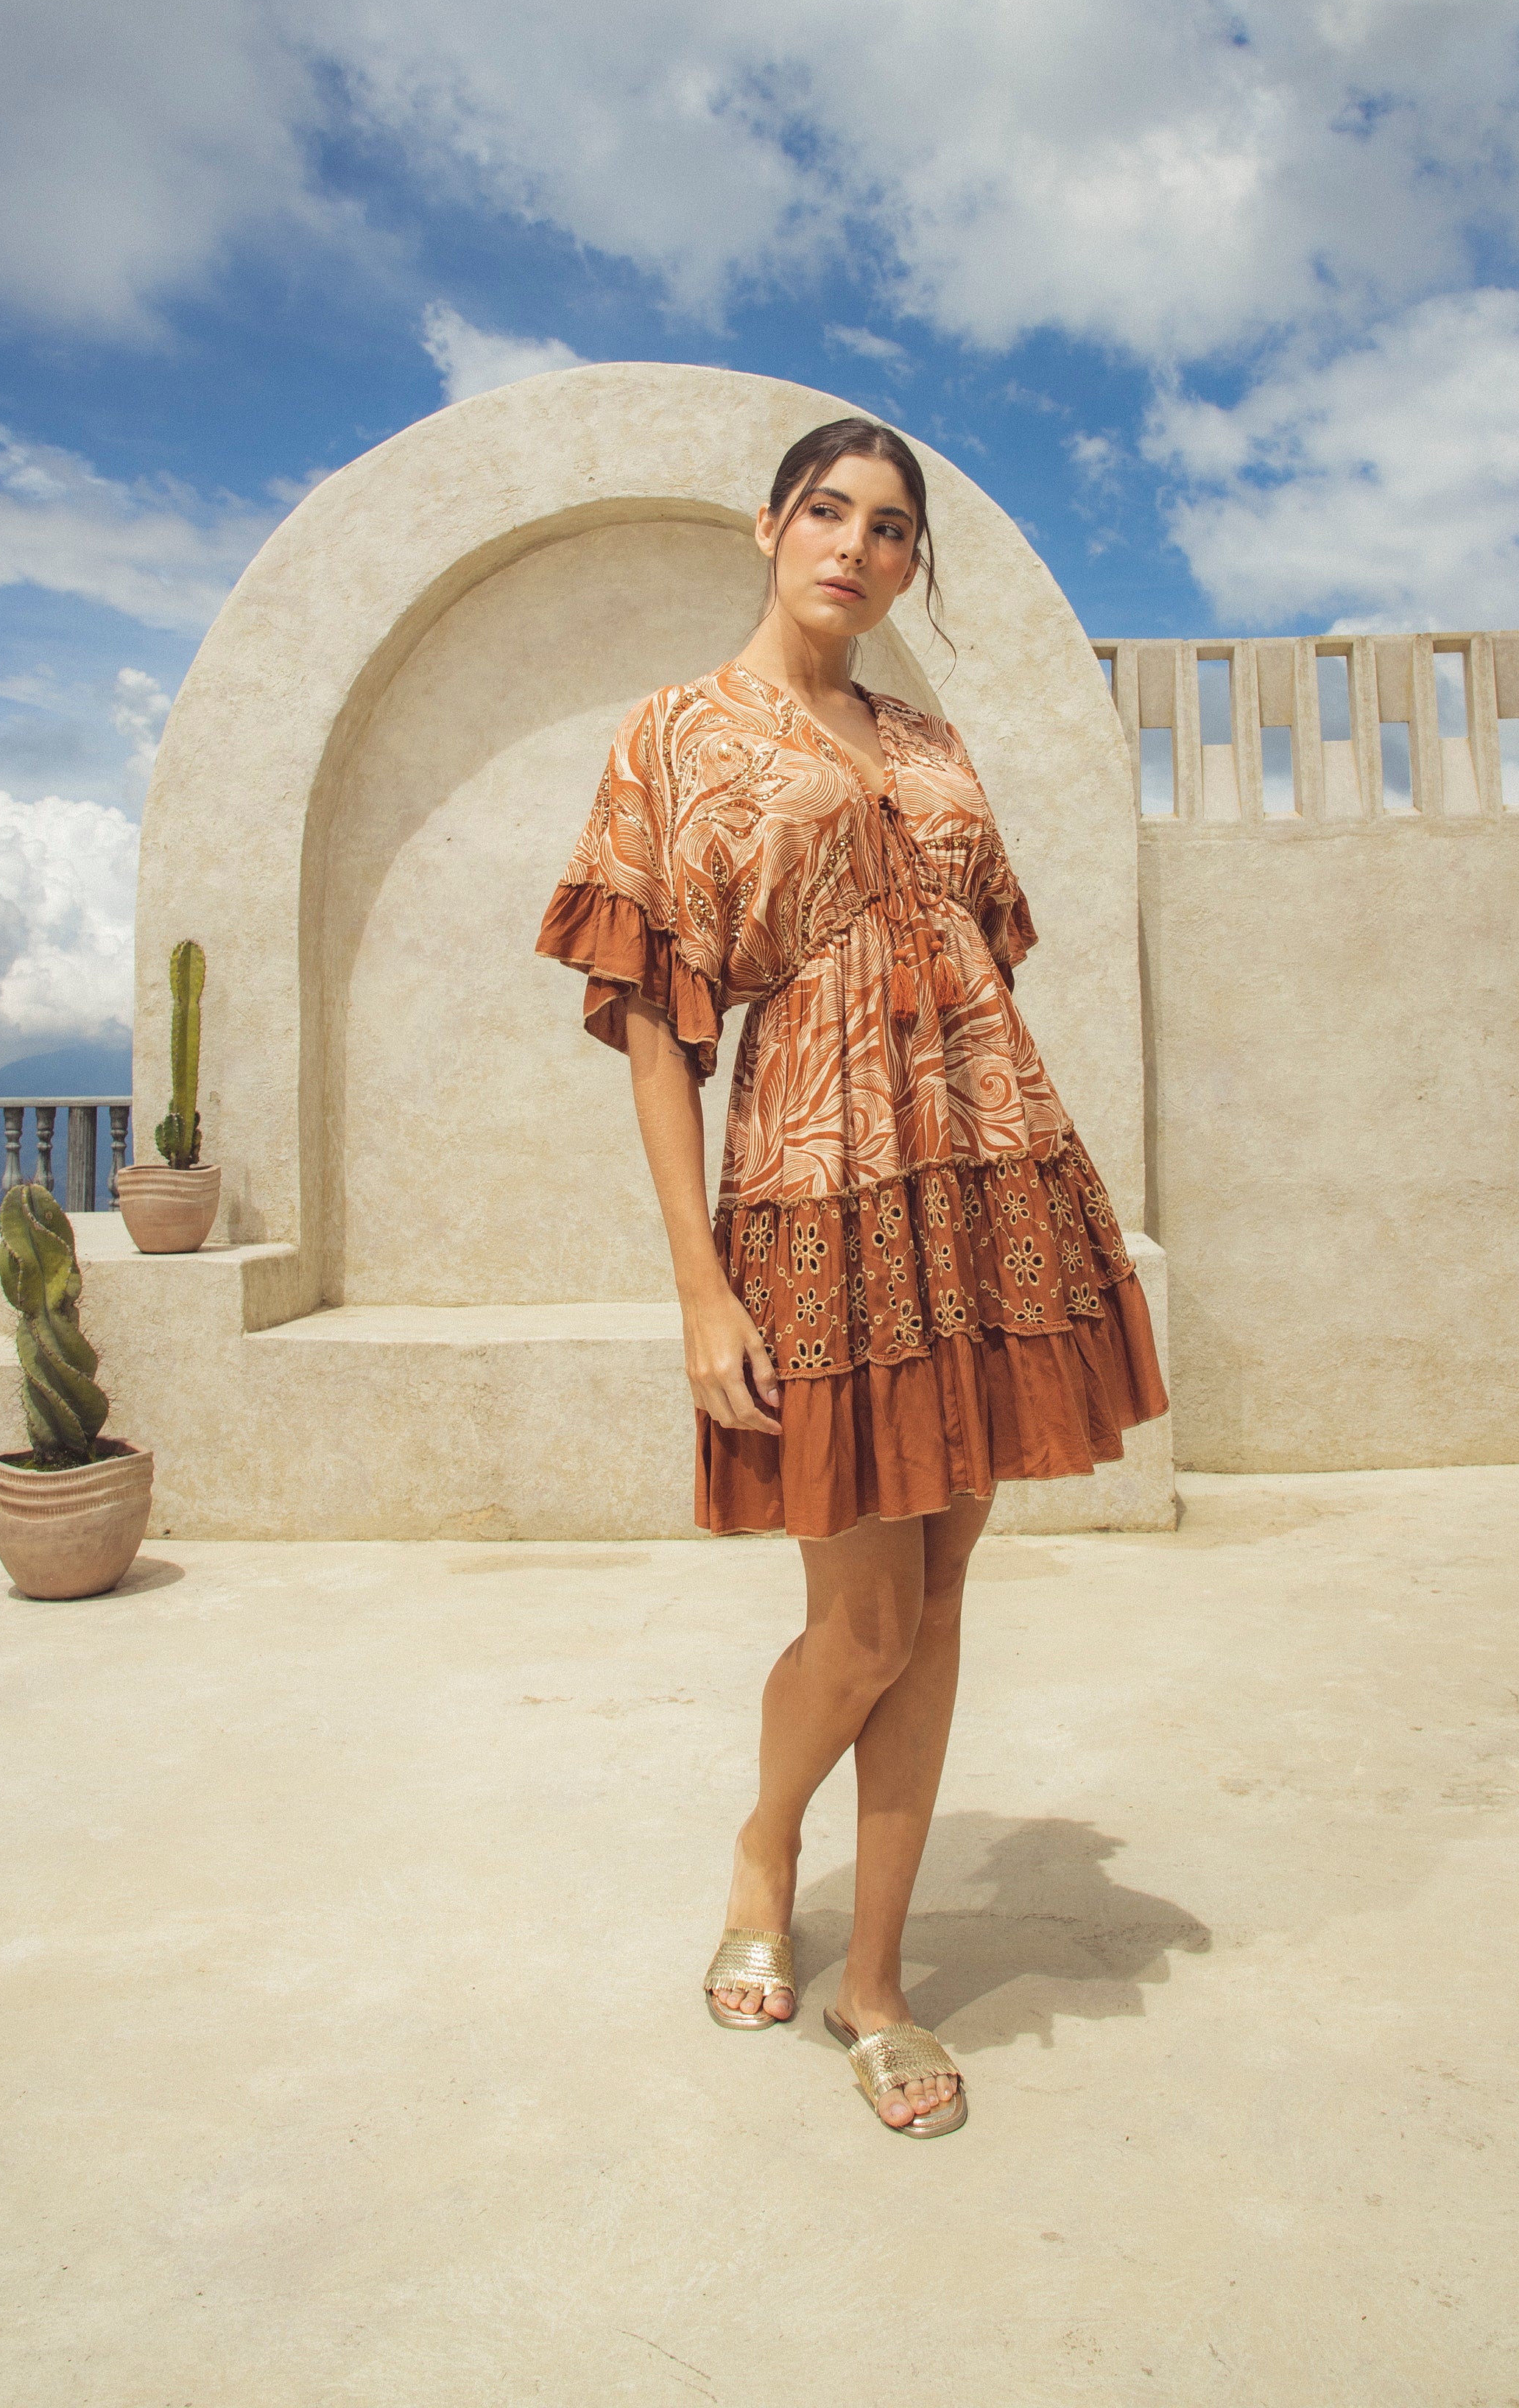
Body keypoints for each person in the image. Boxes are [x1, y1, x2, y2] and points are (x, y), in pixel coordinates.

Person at [535, 416, 1167, 2137]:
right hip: (814, 1197)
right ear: (769, 525)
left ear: (908, 564)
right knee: (865, 1617)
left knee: (942, 1598)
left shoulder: (931, 743)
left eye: (890, 528)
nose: (855, 546)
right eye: (827, 510)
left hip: (987, 1186)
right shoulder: (673, 736)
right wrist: (698, 1286)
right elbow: (655, 1034)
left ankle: (874, 1982)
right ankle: (765, 1841)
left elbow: (978, 962)